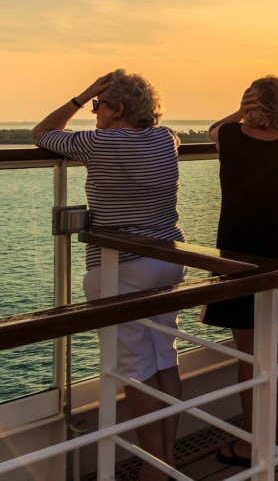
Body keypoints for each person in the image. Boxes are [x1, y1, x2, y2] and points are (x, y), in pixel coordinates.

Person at [32, 70, 186, 481]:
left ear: (116, 109)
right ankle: (167, 458)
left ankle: (155, 469)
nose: (94, 114)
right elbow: (168, 139)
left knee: (135, 369)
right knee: (163, 355)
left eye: (99, 107)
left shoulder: (98, 143)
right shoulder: (164, 138)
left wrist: (81, 95)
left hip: (121, 267)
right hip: (167, 258)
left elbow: (42, 132)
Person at [203, 77, 278, 467]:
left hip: (239, 252)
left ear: (250, 104)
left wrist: (239, 111)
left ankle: (253, 442)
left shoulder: (229, 136)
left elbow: (214, 128)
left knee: (247, 352)